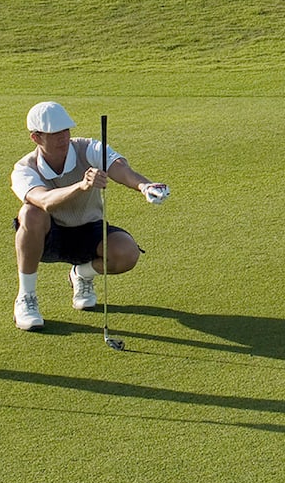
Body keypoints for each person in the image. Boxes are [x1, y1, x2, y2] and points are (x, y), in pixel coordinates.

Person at [11, 101, 169, 330]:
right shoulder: (25, 168)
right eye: (54, 133)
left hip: (88, 230)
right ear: (36, 137)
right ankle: (26, 298)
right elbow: (44, 200)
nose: (63, 137)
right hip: (48, 237)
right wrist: (82, 185)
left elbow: (119, 168)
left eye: (65, 130)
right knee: (30, 213)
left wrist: (144, 186)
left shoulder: (88, 148)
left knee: (127, 253)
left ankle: (81, 274)